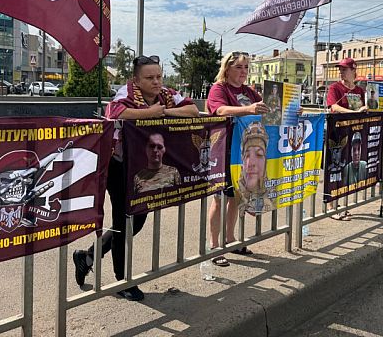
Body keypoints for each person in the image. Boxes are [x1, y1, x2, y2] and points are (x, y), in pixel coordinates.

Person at [72, 55, 199, 301]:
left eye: (159, 76)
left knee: (137, 220)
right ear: (136, 80)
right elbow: (115, 111)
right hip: (119, 166)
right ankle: (122, 280)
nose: (156, 82)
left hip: (144, 168)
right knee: (123, 220)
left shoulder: (166, 95)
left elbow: (192, 110)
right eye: (149, 78)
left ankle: (87, 257)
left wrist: (164, 112)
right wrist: (150, 113)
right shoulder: (126, 93)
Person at [206, 51, 269, 266]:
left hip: (243, 151)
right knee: (219, 198)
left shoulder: (248, 91)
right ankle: (214, 246)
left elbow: (268, 108)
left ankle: (230, 238)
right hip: (223, 148)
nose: (243, 71)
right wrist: (247, 109)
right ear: (227, 68)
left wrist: (291, 109)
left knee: (236, 196)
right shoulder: (219, 88)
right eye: (239, 67)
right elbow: (219, 110)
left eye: (246, 67)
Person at [238, 121, 275, 215]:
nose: (251, 163)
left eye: (259, 154)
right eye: (247, 155)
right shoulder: (235, 189)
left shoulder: (275, 194)